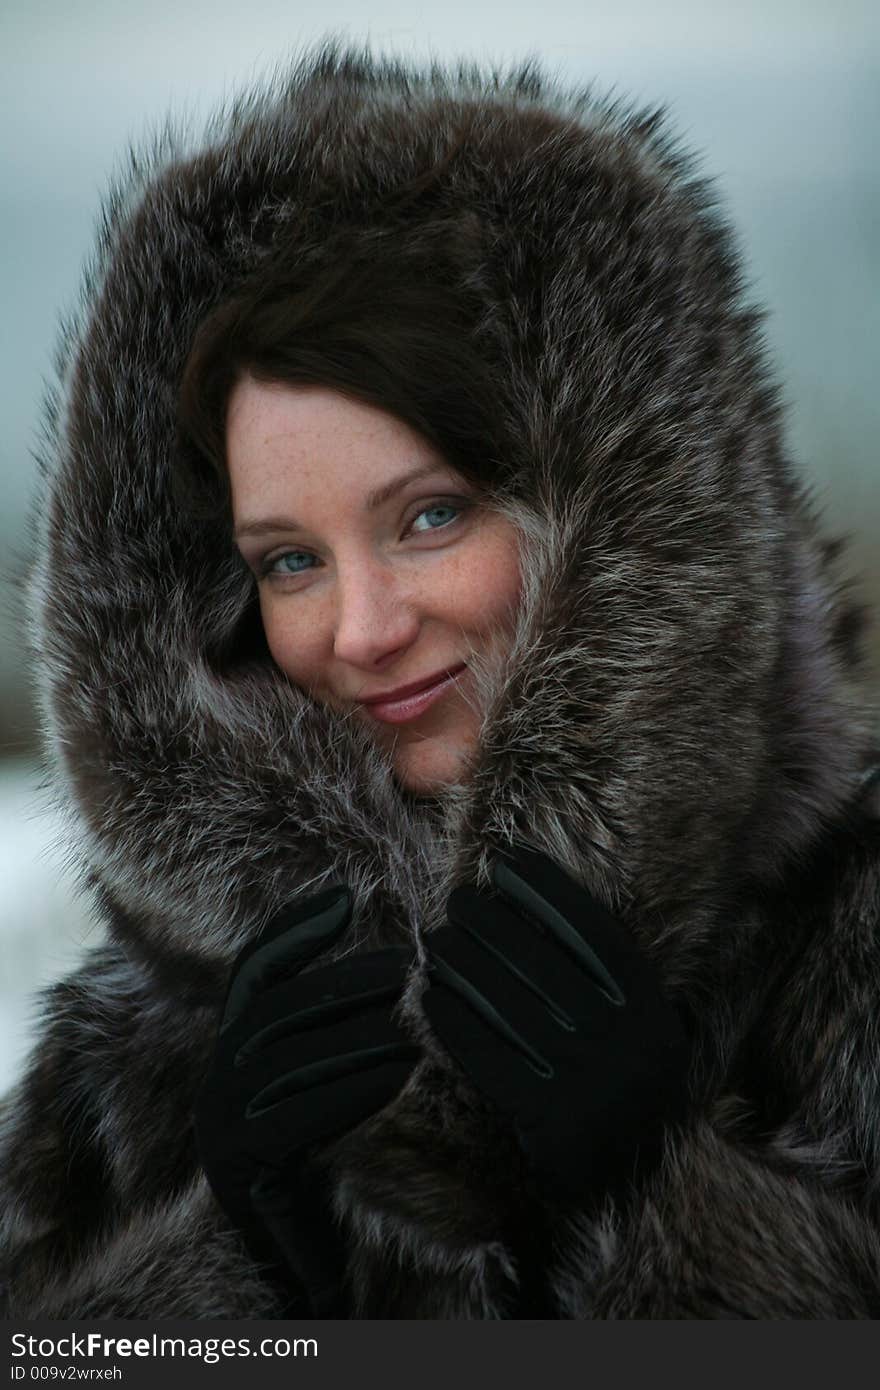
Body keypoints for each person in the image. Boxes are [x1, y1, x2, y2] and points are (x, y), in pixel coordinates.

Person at [2, 44, 880, 1319]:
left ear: (609, 515)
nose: (359, 629)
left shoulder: (847, 936)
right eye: (289, 559)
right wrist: (233, 1259)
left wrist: (663, 1197)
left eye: (428, 519)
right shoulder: (154, 1030)